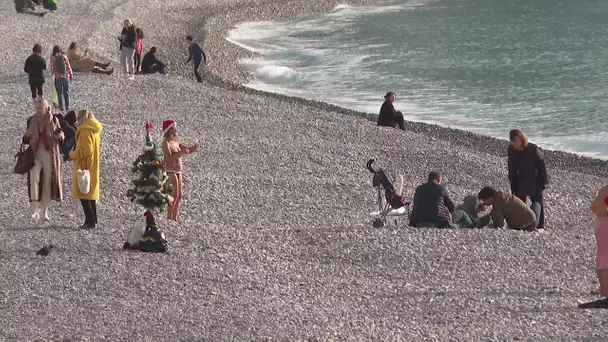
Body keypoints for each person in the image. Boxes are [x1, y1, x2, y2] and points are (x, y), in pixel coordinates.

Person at [23, 99, 64, 222]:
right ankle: (35, 207)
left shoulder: (54, 120)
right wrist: (26, 135)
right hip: (35, 154)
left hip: (49, 154)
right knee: (34, 179)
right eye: (36, 108)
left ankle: (45, 211)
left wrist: (60, 136)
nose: (37, 110)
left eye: (40, 108)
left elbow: (61, 134)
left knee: (47, 181)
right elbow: (25, 140)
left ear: (47, 108)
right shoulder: (31, 120)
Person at [508, 129, 549, 230]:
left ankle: (539, 225)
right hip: (519, 180)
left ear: (521, 139)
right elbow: (511, 167)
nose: (514, 144)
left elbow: (541, 165)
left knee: (537, 202)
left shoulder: (532, 149)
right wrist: (512, 182)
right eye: (512, 142)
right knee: (520, 203)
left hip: (534, 179)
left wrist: (544, 182)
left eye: (516, 141)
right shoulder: (511, 150)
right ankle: (522, 223)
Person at [69, 109, 103, 229]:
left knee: (84, 194)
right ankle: (94, 220)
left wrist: (72, 154)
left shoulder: (84, 130)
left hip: (84, 165)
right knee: (90, 194)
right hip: (93, 165)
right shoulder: (94, 129)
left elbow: (86, 150)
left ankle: (90, 222)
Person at [161, 120, 200, 222]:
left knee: (180, 195)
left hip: (178, 171)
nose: (176, 131)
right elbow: (169, 158)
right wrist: (180, 153)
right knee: (174, 195)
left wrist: (194, 147)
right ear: (169, 131)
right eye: (174, 129)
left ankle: (175, 217)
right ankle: (169, 217)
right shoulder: (166, 143)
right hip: (170, 171)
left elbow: (187, 150)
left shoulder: (176, 142)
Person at [580, 187, 608, 308]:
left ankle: (603, 290)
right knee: (605, 258)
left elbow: (593, 207)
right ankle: (605, 292)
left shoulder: (604, 190)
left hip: (600, 224)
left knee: (601, 256)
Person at [50, 45, 73, 112]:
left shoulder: (52, 58)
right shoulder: (64, 57)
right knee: (66, 91)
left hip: (58, 77)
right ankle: (67, 106)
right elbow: (68, 66)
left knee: (59, 93)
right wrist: (71, 75)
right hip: (66, 77)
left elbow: (52, 68)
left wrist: (53, 74)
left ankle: (61, 107)